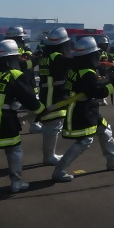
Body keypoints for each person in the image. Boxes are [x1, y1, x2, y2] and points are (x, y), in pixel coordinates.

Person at [52, 36, 114, 183]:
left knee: (105, 131)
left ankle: (112, 160)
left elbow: (93, 82)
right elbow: (97, 91)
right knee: (84, 141)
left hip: (87, 107)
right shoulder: (86, 72)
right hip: (82, 110)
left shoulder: (76, 67)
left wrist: (107, 73)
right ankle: (59, 170)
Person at [0, 40, 46, 192]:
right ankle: (16, 183)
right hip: (2, 123)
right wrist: (41, 109)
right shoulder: (14, 75)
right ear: (11, 58)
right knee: (14, 149)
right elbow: (30, 101)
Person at [37, 27, 72, 165]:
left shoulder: (47, 57)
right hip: (54, 97)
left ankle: (49, 155)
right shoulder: (56, 57)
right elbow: (73, 64)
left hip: (48, 95)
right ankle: (49, 157)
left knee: (51, 127)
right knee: (52, 128)